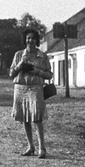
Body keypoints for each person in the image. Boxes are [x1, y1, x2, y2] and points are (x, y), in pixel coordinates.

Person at [10, 28, 54, 158]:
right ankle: (30, 146)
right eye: (28, 38)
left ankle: (42, 148)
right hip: (20, 88)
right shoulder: (18, 55)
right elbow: (11, 74)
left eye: (33, 38)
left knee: (37, 117)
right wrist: (20, 66)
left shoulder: (42, 56)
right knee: (25, 118)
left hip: (35, 88)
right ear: (25, 40)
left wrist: (37, 72)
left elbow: (49, 74)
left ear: (37, 40)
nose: (30, 41)